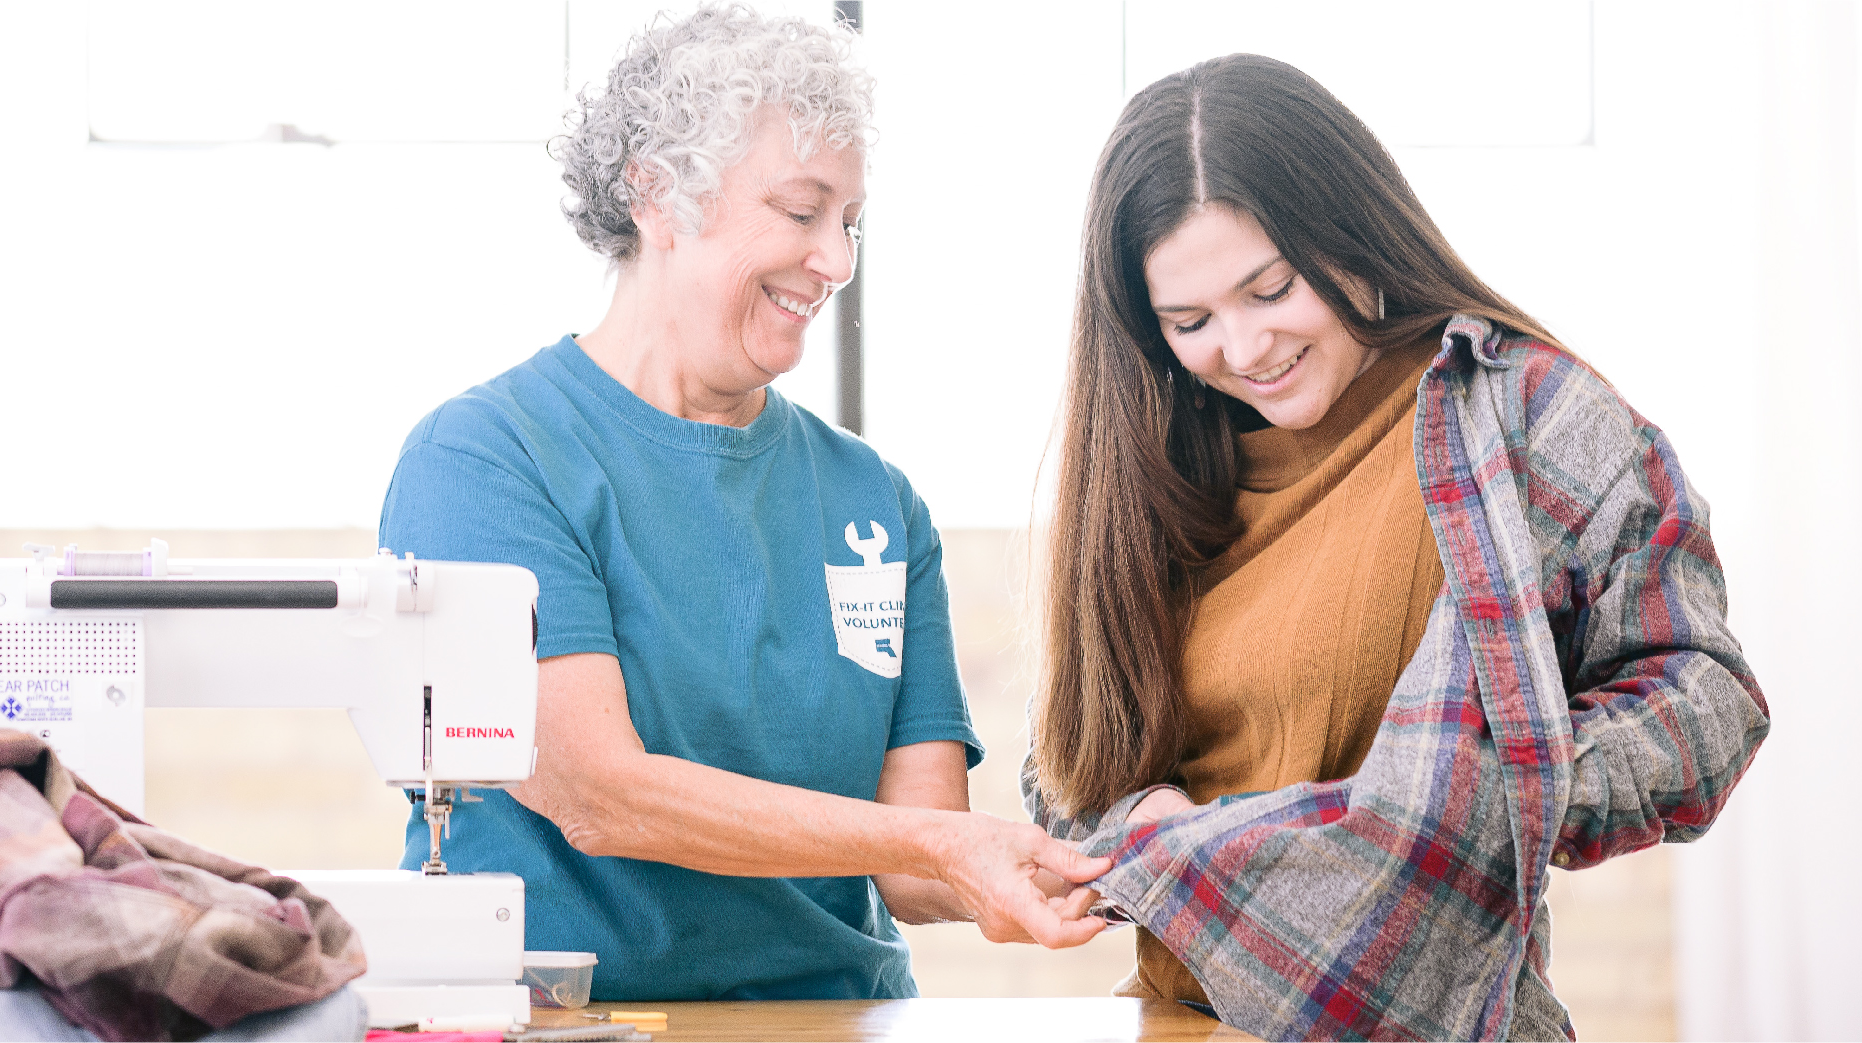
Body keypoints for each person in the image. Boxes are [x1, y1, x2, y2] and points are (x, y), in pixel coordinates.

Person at [1026, 54, 1772, 1040]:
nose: (1244, 351)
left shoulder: (1521, 417)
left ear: (1346, 230)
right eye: (1191, 321)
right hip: (1187, 1022)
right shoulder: (1155, 472)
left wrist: (1487, 800)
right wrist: (1148, 819)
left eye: (1272, 288)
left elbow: (1707, 698)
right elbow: (1070, 769)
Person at [374, 3, 1109, 1003]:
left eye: (849, 223)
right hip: (573, 1019)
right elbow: (599, 793)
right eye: (802, 213)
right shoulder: (488, 459)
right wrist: (943, 841)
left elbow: (910, 864)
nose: (838, 262)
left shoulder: (876, 501)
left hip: (839, 1016)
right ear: (658, 195)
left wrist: (1043, 867)